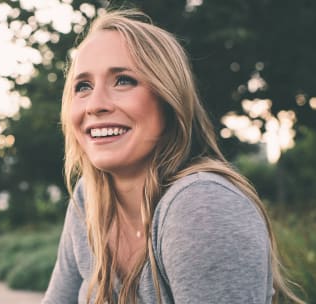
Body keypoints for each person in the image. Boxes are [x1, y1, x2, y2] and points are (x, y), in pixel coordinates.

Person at [42, 9, 303, 304]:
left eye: (124, 80)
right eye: (83, 86)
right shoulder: (88, 199)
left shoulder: (202, 206)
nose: (95, 105)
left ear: (168, 99)